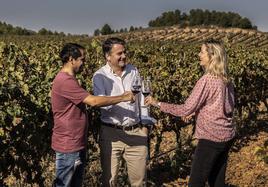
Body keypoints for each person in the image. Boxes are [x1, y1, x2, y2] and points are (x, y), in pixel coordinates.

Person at [145, 40, 235, 187]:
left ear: (212, 56)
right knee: (217, 181)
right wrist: (197, 112)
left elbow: (185, 109)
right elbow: (227, 107)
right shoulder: (226, 79)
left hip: (211, 138)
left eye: (202, 52)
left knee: (195, 183)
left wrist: (157, 103)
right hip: (227, 136)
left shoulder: (207, 80)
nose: (199, 55)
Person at [51, 43, 134, 187]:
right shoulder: (65, 81)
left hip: (75, 143)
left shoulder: (69, 79)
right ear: (71, 59)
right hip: (68, 146)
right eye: (82, 59)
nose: (84, 63)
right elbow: (93, 101)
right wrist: (123, 97)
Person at [93, 37, 153, 186]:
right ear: (108, 56)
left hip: (136, 132)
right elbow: (102, 104)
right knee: (110, 181)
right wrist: (122, 98)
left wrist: (145, 126)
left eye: (124, 52)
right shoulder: (100, 76)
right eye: (119, 53)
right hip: (111, 135)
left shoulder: (133, 71)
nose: (124, 56)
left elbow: (142, 101)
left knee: (139, 182)